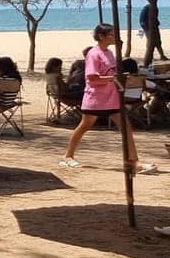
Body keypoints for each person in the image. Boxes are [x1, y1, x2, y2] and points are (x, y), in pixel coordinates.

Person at [62, 24, 155, 173]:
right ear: (101, 36)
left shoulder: (110, 53)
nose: (115, 37)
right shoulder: (94, 54)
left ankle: (135, 162)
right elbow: (92, 78)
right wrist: (113, 78)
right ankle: (68, 156)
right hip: (96, 98)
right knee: (84, 126)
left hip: (112, 98)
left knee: (126, 128)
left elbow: (113, 75)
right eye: (111, 35)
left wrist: (124, 80)